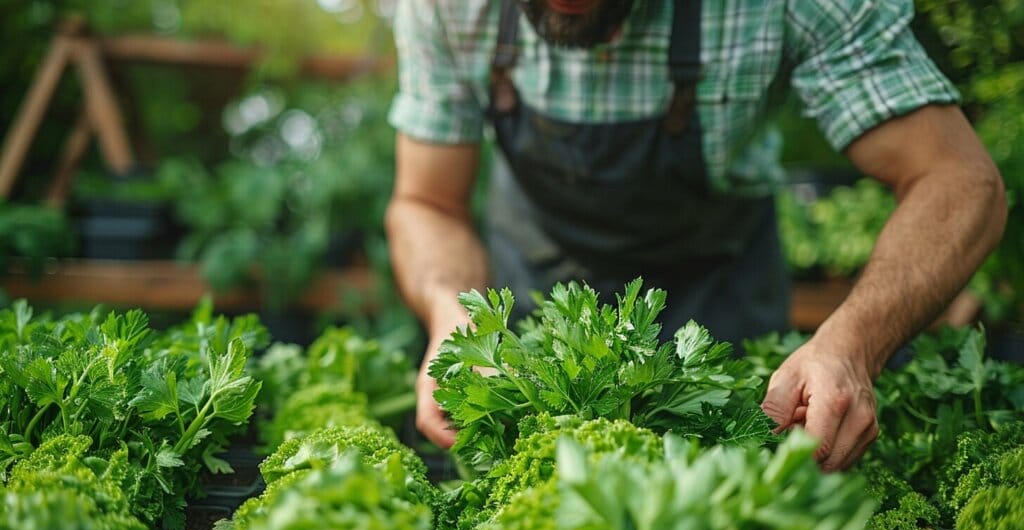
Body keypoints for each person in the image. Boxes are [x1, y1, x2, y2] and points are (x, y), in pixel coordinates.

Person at [384, 0, 1007, 471]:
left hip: (723, 316)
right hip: (528, 329)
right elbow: (426, 202)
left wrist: (853, 345)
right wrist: (452, 319)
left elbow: (958, 179)